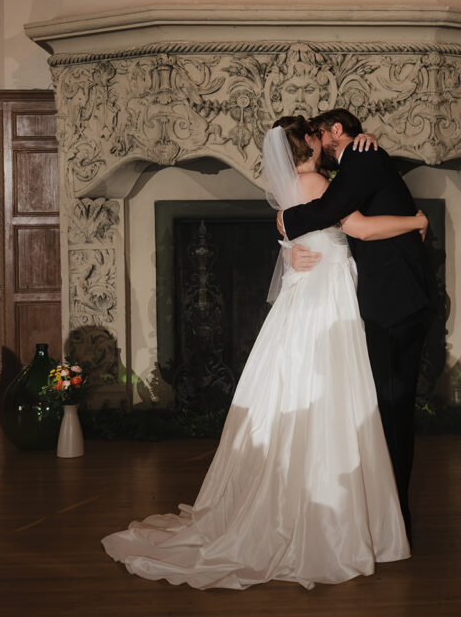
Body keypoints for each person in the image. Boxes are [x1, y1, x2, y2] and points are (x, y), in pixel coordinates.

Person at [102, 116, 428, 590]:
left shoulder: (290, 188)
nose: (323, 141)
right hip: (326, 298)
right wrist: (418, 220)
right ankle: (336, 517)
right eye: (316, 136)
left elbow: (295, 229)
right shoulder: (317, 181)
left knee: (298, 387)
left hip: (309, 295)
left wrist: (285, 238)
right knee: (334, 395)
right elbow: (354, 226)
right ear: (312, 143)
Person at [280, 108, 429, 539]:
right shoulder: (361, 159)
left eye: (320, 134)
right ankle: (381, 510)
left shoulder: (362, 159)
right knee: (379, 405)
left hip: (396, 303)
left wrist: (283, 222)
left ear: (336, 132)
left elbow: (341, 218)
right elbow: (345, 220)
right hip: (378, 300)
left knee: (392, 405)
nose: (316, 143)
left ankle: (395, 513)